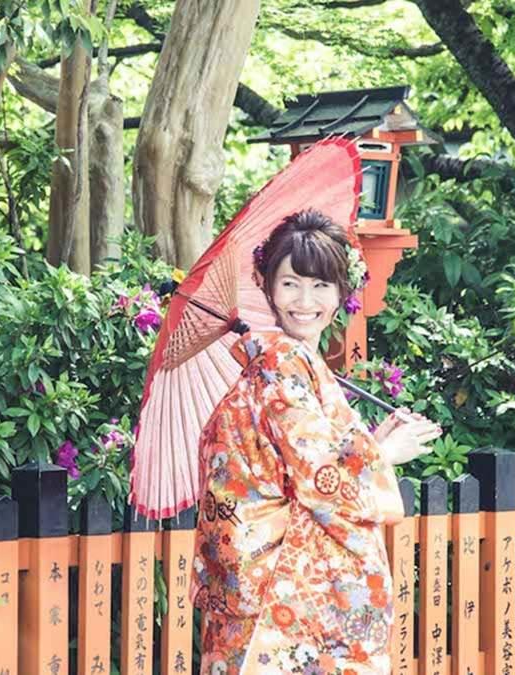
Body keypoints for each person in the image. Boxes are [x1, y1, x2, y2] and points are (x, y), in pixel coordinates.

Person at [193, 209, 442, 674]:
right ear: (267, 285)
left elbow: (299, 460)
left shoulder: (283, 364)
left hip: (257, 591)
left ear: (341, 292)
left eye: (321, 285)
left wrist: (368, 442)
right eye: (290, 283)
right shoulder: (283, 364)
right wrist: (386, 455)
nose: (304, 301)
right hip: (282, 600)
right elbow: (320, 481)